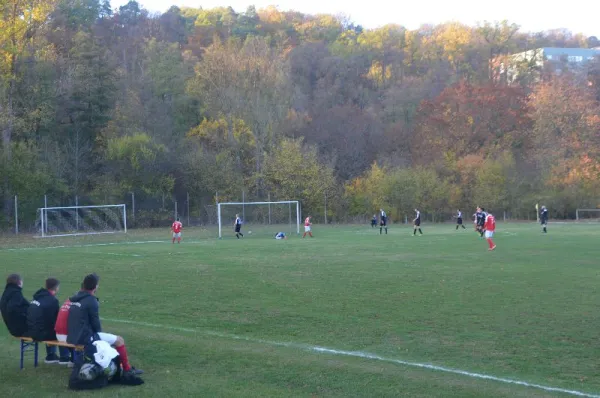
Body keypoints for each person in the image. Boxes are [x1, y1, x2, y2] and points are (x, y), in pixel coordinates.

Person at [67, 274, 142, 379]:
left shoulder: (76, 297)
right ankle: (127, 370)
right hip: (85, 337)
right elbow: (95, 323)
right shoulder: (91, 301)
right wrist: (100, 340)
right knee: (119, 340)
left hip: (72, 336)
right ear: (95, 287)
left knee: (108, 339)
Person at [27, 278, 72, 364]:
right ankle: (64, 357)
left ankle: (50, 355)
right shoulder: (52, 301)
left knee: (48, 327)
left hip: (31, 331)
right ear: (56, 288)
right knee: (60, 330)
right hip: (40, 333)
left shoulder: (38, 297)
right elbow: (55, 320)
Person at [0, 273, 29, 338]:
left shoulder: (6, 293)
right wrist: (26, 313)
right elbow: (12, 308)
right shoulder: (16, 293)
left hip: (13, 329)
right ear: (19, 282)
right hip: (22, 330)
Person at [54, 296, 75, 365]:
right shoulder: (76, 305)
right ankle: (73, 360)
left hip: (58, 335)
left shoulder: (66, 303)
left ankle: (64, 357)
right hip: (66, 338)